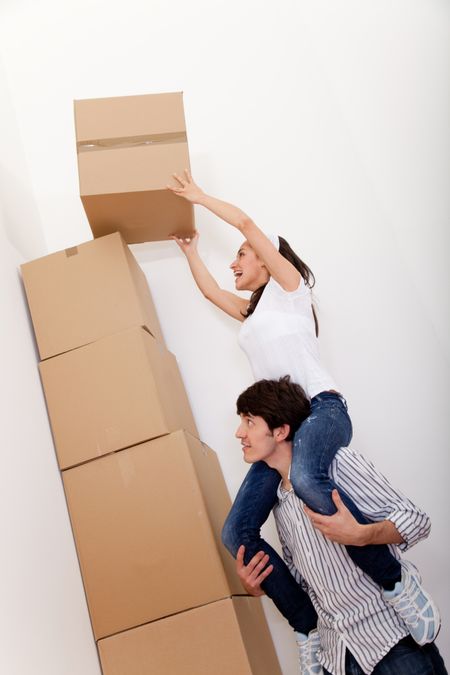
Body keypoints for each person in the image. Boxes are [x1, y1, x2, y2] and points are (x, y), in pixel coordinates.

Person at [167, 171, 440, 653]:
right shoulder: (254, 315)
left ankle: (398, 584)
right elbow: (212, 294)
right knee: (237, 532)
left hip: (322, 409)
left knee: (312, 482)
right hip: (284, 427)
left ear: (270, 262)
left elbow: (248, 223)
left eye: (241, 255)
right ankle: (309, 629)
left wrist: (199, 197)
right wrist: (190, 252)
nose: (233, 263)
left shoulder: (291, 292)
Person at [234, 376, 445, 675]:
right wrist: (261, 585)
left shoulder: (339, 464)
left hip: (393, 642)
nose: (239, 433)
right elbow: (305, 581)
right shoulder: (277, 502)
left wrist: (362, 534)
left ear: (280, 431)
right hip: (338, 658)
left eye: (249, 421)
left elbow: (416, 520)